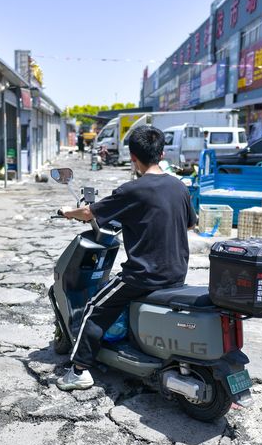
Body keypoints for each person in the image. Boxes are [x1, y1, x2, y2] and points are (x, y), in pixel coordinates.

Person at [56, 125, 198, 391]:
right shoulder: (179, 187)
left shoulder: (133, 190)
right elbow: (190, 225)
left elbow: (89, 213)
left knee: (94, 309)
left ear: (133, 157)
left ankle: (79, 371)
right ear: (162, 153)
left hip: (143, 276)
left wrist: (67, 212)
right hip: (177, 273)